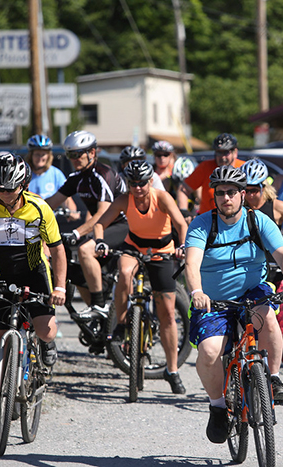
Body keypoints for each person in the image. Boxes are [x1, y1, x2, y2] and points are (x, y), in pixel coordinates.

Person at [184, 165, 283, 444]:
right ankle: (217, 406)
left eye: (233, 192)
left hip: (252, 291)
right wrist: (197, 291)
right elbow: (191, 263)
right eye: (221, 192)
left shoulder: (258, 221)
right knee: (210, 352)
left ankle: (272, 378)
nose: (226, 198)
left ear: (243, 195)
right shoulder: (202, 224)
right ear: (214, 196)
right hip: (213, 300)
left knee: (268, 317)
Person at [0, 153, 66, 427]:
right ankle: (1, 399)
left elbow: (57, 249)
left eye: (11, 188)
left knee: (46, 331)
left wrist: (61, 287)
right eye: (0, 188)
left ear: (24, 185)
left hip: (34, 272)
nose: (5, 194)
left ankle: (43, 347)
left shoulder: (40, 208)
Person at [93, 160, 188, 394]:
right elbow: (100, 224)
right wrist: (100, 242)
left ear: (150, 181)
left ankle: (172, 370)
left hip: (162, 251)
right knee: (124, 273)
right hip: (134, 247)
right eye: (133, 183)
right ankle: (123, 324)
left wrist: (183, 245)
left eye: (142, 183)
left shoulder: (162, 197)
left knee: (166, 312)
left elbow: (181, 223)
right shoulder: (124, 200)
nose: (137, 188)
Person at [241, 158, 283, 401]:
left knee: (279, 328)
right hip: (251, 275)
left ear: (263, 187)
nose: (250, 194)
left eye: (255, 189)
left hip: (277, 274)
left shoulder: (277, 207)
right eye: (246, 189)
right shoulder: (238, 210)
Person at [45, 131, 127, 312]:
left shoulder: (104, 175)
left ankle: (98, 305)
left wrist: (76, 233)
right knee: (74, 270)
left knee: (84, 250)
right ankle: (96, 313)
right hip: (101, 228)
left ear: (92, 152)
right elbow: (50, 203)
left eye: (78, 154)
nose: (74, 159)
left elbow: (102, 215)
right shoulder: (76, 178)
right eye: (70, 155)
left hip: (121, 225)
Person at [179, 133, 244, 214]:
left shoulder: (243, 168)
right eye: (219, 152)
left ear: (235, 152)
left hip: (236, 221)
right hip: (208, 221)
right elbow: (184, 189)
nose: (222, 157)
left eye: (226, 152)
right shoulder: (205, 167)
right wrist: (184, 211)